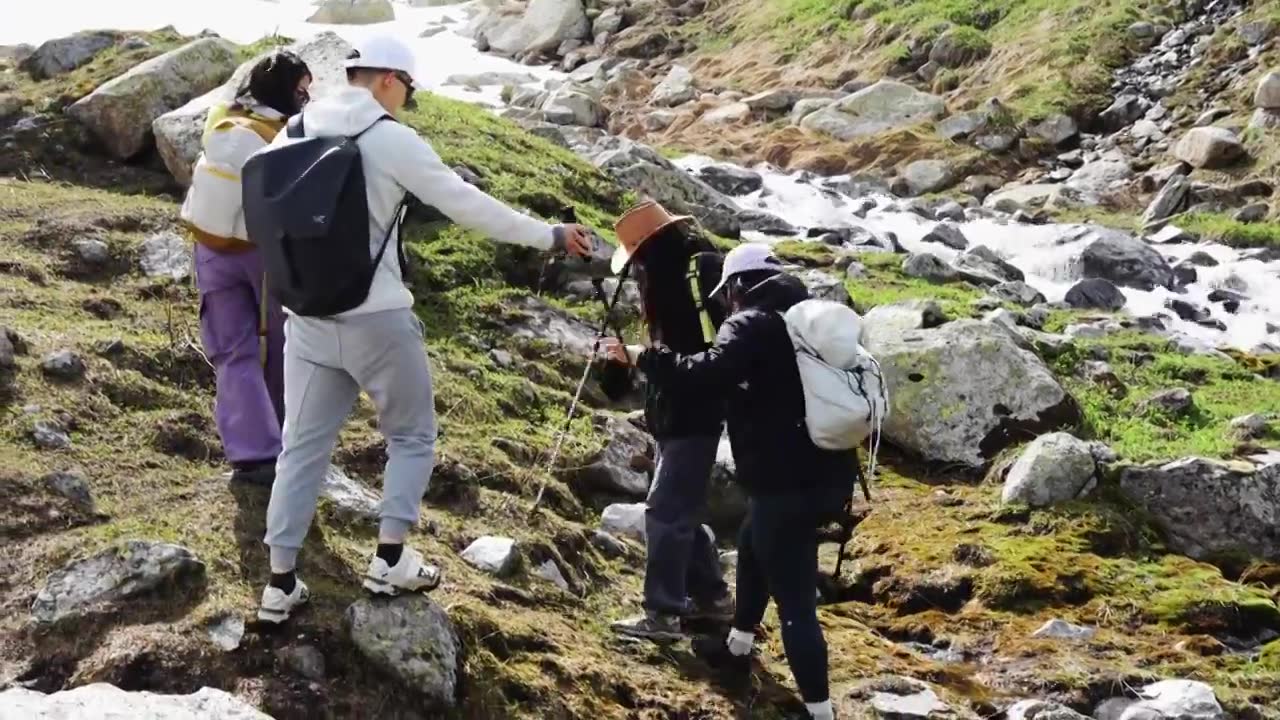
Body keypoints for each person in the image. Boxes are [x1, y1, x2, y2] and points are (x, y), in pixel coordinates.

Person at [256, 35, 594, 623]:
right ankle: (389, 558)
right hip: (377, 315)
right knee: (411, 436)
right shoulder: (388, 139)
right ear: (388, 79)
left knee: (300, 449)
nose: (407, 100)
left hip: (306, 315)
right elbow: (465, 203)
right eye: (408, 88)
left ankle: (279, 582)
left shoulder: (296, 128)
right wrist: (550, 236)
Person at [606, 243, 856, 720]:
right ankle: (738, 649)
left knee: (797, 604)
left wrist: (645, 358)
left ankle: (821, 712)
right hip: (828, 473)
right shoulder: (805, 317)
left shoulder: (750, 323)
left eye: (729, 293)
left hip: (784, 482)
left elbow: (708, 375)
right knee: (751, 538)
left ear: (740, 285)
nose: (727, 302)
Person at [180, 50, 313, 486]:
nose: (306, 97)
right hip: (264, 256)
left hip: (210, 248)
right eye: (301, 90)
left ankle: (251, 453)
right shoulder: (286, 137)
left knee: (231, 351)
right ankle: (281, 444)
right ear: (287, 92)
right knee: (280, 347)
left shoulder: (220, 120)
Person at [604, 200, 733, 642]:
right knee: (681, 508)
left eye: (637, 257)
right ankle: (714, 600)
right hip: (674, 412)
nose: (635, 270)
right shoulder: (673, 280)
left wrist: (644, 358)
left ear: (650, 249)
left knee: (664, 510)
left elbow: (701, 358)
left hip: (694, 410)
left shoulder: (693, 279)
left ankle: (662, 614)